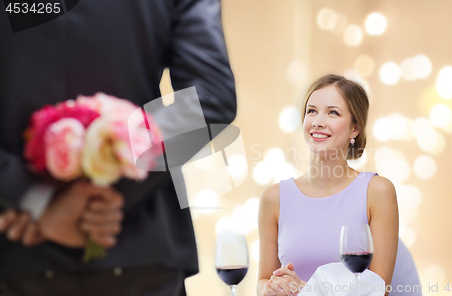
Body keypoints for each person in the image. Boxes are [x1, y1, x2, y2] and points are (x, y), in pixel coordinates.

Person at [0, 0, 236, 295]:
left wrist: (32, 197)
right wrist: (108, 192)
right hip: (139, 246)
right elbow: (211, 99)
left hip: (15, 245)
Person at [256, 74, 421, 296]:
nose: (317, 121)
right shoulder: (273, 198)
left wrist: (309, 291)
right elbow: (263, 280)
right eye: (311, 111)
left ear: (355, 128)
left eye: (333, 112)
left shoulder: (377, 192)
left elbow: (379, 289)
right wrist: (270, 288)